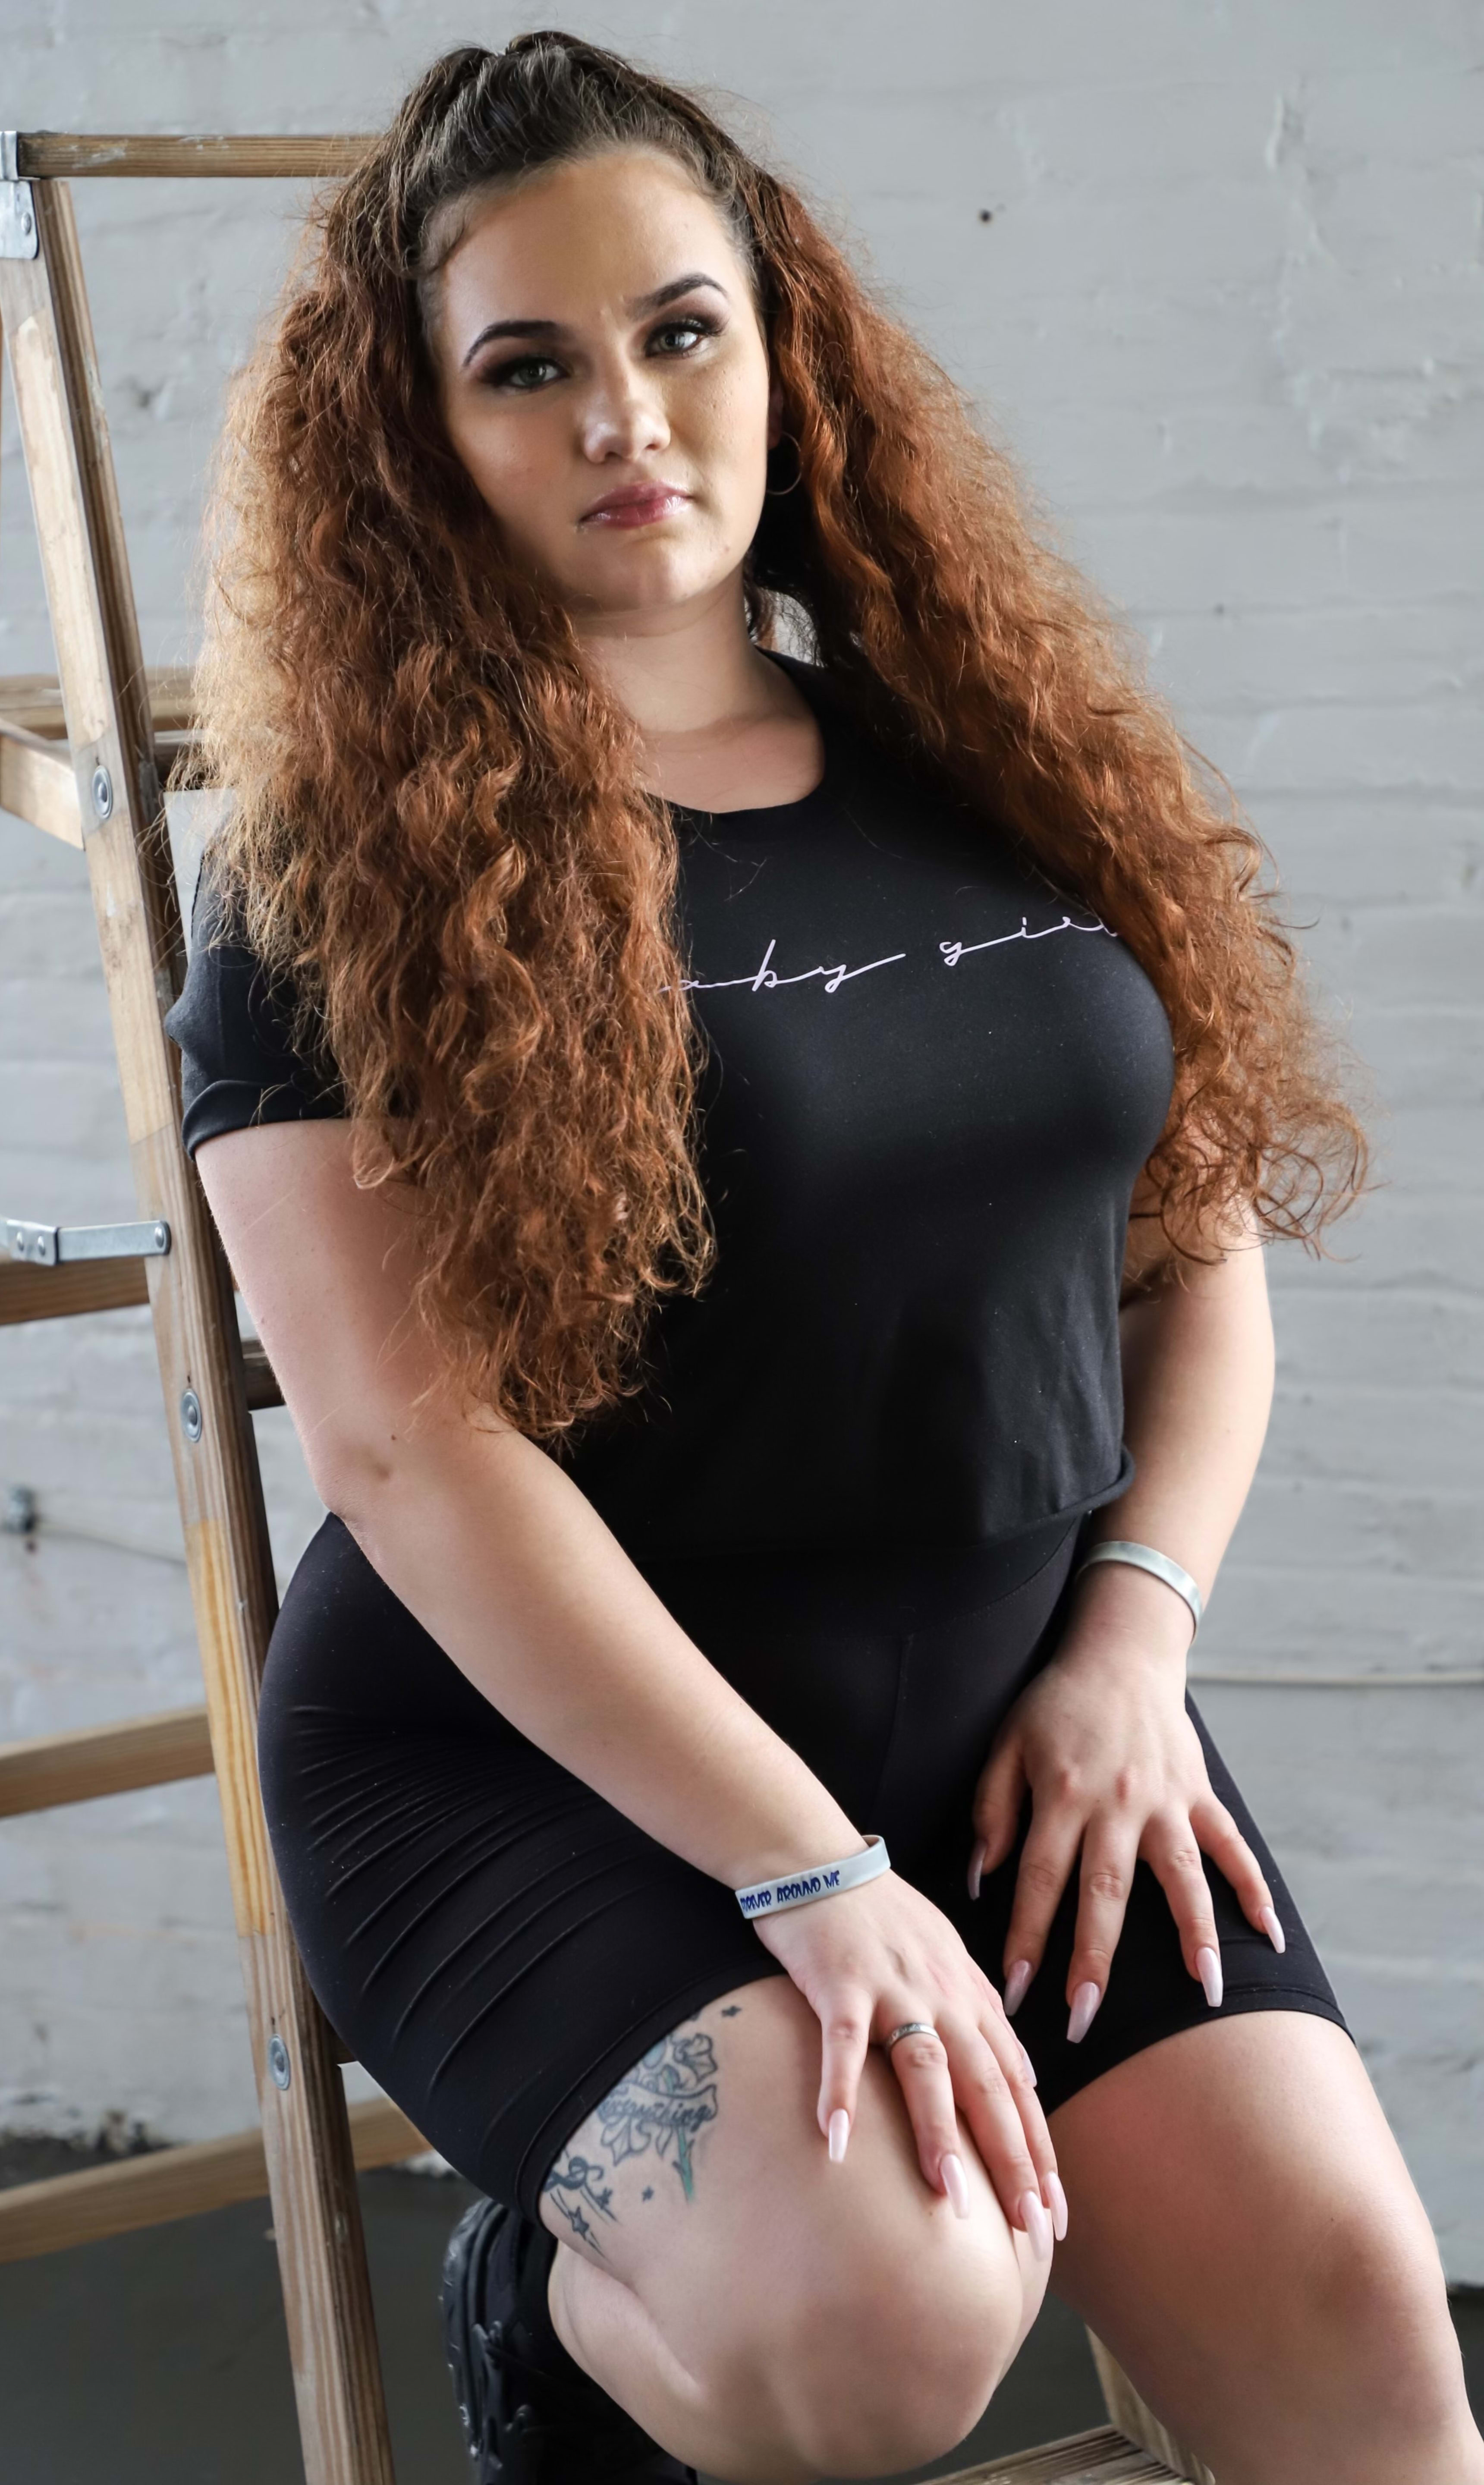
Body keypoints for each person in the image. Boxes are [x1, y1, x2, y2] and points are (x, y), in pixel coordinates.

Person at [165, 32, 1482, 2485]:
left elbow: (1193, 1260)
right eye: (525, 368)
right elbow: (401, 1442)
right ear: (420, 439)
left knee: (1372, 2394)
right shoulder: (328, 884)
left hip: (1030, 1729)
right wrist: (803, 1867)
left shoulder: (995, 753)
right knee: (892, 2327)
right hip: (546, 1765)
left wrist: (1133, 1646)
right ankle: (558, 2331)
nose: (622, 417)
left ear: (783, 348)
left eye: (678, 332)